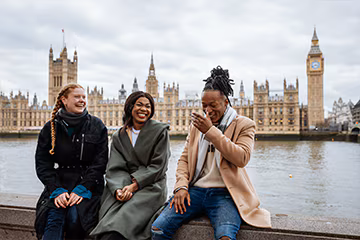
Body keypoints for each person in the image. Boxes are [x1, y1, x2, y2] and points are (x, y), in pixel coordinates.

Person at [152, 66, 271, 240]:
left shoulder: (244, 124)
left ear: (226, 103)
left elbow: (242, 158)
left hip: (225, 193)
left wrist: (211, 132)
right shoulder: (196, 126)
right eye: (204, 106)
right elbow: (184, 160)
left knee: (225, 236)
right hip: (195, 190)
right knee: (158, 229)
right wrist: (181, 187)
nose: (207, 111)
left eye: (213, 105)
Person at [90, 91, 170, 240]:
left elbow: (159, 167)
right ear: (130, 107)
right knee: (107, 226)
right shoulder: (119, 136)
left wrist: (134, 186)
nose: (144, 109)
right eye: (139, 105)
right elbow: (115, 168)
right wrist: (119, 190)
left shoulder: (160, 131)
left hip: (151, 186)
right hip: (122, 185)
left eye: (148, 106)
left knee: (118, 229)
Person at [35, 83, 109, 240]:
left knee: (76, 218)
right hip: (60, 184)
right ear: (64, 100)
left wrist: (83, 188)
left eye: (84, 97)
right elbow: (42, 164)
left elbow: (100, 163)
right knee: (54, 218)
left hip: (88, 185)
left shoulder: (96, 125)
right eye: (77, 97)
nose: (82, 100)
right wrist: (56, 189)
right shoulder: (51, 128)